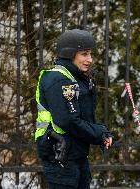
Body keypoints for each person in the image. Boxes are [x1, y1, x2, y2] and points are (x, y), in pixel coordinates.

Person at [35, 29, 113, 189]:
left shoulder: (77, 77)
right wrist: (98, 134)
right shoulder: (58, 79)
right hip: (60, 157)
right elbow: (68, 121)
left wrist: (102, 131)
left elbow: (84, 117)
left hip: (75, 154)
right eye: (84, 54)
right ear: (70, 54)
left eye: (90, 54)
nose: (90, 59)